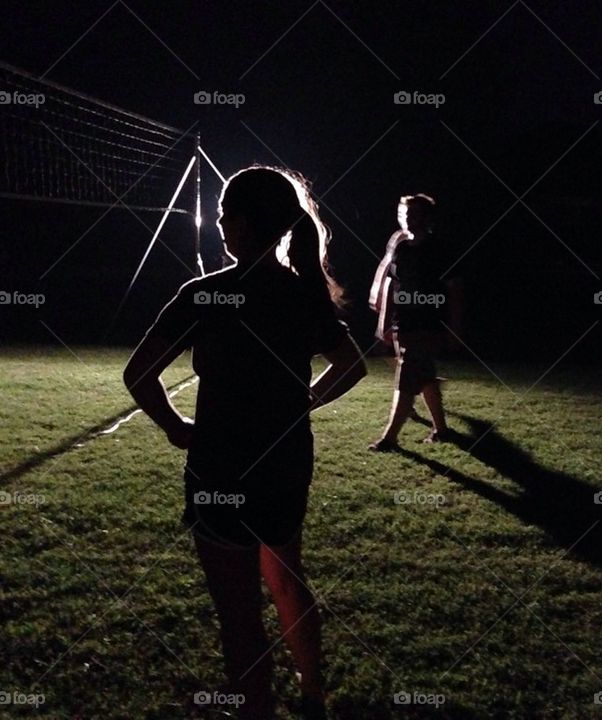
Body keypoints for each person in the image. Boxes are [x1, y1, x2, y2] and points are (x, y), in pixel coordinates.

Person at [124, 166, 366, 719]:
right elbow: (351, 366)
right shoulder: (302, 293)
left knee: (238, 612)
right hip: (284, 463)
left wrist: (174, 426)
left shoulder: (205, 295)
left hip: (220, 469)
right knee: (286, 576)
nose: (218, 225)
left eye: (222, 216)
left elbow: (139, 374)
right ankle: (312, 695)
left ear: (237, 222)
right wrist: (304, 401)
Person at [368, 194, 463, 451]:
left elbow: (454, 290)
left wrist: (454, 329)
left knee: (407, 374)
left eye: (414, 214)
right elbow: (392, 285)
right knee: (424, 376)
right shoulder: (401, 248)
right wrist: (385, 322)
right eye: (405, 214)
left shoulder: (438, 249)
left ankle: (389, 439)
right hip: (404, 323)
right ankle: (442, 430)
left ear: (427, 218)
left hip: (427, 324)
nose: (408, 218)